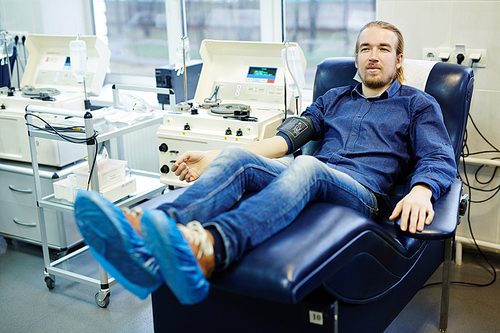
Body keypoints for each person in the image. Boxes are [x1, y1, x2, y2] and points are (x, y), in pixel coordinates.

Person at [74, 21, 457, 305]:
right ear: (356, 57)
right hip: (312, 178)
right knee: (239, 156)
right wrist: (213, 155)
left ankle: (210, 248)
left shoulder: (417, 104)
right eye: (365, 48)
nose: (373, 55)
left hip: (362, 194)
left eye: (384, 49)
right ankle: (154, 240)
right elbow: (282, 140)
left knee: (306, 167)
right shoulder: (333, 99)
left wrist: (423, 190)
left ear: (398, 58)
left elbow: (439, 156)